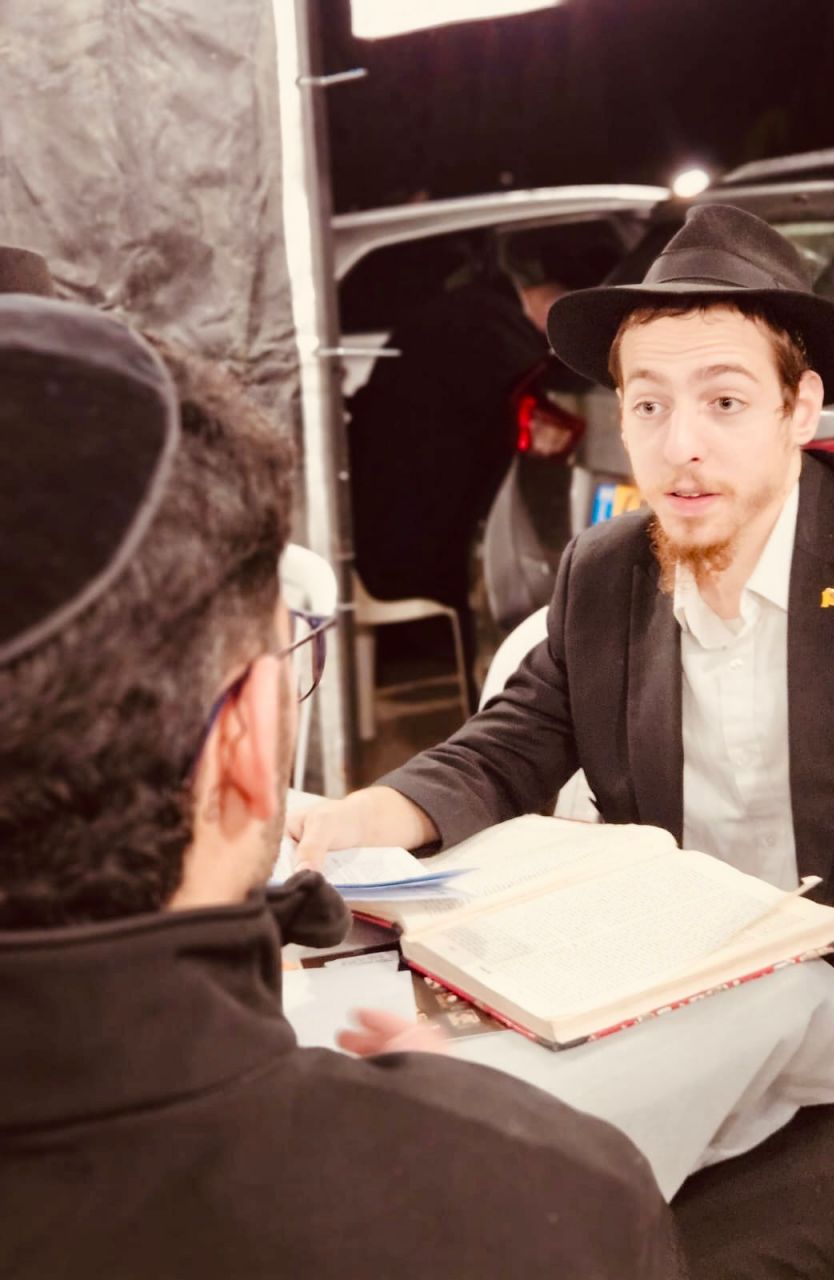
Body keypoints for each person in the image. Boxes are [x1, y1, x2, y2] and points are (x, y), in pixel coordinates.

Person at [292, 205, 834, 1279]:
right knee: (469, 1209)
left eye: (725, 401)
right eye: (649, 403)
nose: (679, 443)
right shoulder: (606, 573)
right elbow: (506, 744)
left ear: (800, 408)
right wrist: (350, 821)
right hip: (691, 1011)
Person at [0, 287, 684, 1279]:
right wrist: (461, 1139)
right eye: (648, 401)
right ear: (248, 741)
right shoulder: (545, 1207)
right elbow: (510, 741)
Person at [347, 225, 620, 701]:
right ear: (553, 301)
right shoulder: (491, 330)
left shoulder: (475, 310)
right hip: (411, 532)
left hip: (385, 508)